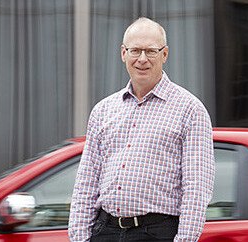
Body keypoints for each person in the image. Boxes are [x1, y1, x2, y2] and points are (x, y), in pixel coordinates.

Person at [68, 17, 215, 242]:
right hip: (104, 231)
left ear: (164, 54)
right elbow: (86, 183)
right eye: (135, 50)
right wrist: (79, 238)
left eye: (151, 51)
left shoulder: (190, 110)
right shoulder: (103, 110)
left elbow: (197, 188)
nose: (142, 59)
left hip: (156, 233)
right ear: (123, 53)